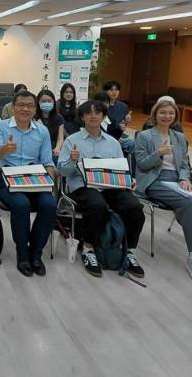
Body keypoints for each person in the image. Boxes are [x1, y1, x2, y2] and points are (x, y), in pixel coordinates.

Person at [135, 99, 192, 285]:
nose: (167, 116)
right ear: (155, 115)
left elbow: (184, 164)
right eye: (163, 112)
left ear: (175, 116)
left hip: (176, 180)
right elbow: (141, 164)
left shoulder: (179, 137)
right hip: (154, 180)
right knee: (191, 205)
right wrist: (158, 153)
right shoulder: (144, 136)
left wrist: (184, 178)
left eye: (171, 113)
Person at [57, 100, 145, 279]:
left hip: (109, 185)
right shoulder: (72, 141)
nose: (93, 116)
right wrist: (72, 160)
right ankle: (88, 249)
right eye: (88, 113)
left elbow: (121, 169)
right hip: (82, 186)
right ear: (82, 117)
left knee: (135, 207)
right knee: (97, 206)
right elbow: (62, 172)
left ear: (103, 116)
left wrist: (129, 179)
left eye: (97, 113)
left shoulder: (112, 142)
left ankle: (129, 250)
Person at [0, 90, 57, 277]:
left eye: (29, 106)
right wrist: (5, 149)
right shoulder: (1, 127)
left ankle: (36, 252)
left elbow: (48, 162)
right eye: (20, 105)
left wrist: (50, 185)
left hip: (33, 178)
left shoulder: (42, 131)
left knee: (49, 204)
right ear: (13, 107)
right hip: (5, 177)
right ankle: (23, 254)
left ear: (35, 109)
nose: (25, 109)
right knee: (21, 204)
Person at [35, 89, 65, 158]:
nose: (46, 103)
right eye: (43, 101)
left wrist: (57, 148)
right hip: (37, 148)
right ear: (38, 102)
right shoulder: (33, 117)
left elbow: (60, 138)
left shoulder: (59, 118)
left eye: (49, 101)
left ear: (54, 102)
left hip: (53, 148)